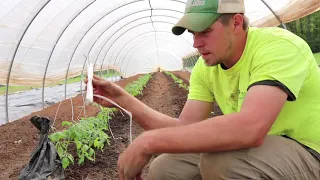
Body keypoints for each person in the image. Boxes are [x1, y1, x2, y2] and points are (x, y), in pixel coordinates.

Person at [87, 0, 320, 179]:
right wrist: (123, 99)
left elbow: (250, 128)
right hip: (258, 151)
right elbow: (183, 129)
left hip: (310, 153)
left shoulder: (278, 47)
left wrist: (148, 142)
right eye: (193, 33)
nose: (196, 43)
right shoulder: (207, 65)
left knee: (222, 164)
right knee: (165, 168)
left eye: (205, 32)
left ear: (237, 23)